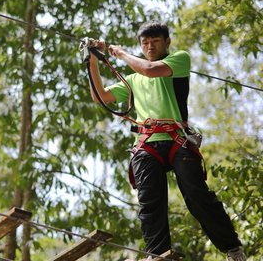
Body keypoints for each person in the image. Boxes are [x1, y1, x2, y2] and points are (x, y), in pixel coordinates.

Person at [87, 21, 246, 261]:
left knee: (197, 196)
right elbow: (100, 97)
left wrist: (119, 52)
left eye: (155, 41)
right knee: (150, 202)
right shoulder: (132, 80)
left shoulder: (179, 60)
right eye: (145, 43)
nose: (149, 46)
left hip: (177, 139)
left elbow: (150, 69)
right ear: (140, 45)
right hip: (147, 142)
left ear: (167, 42)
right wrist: (91, 60)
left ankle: (232, 248)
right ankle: (158, 255)